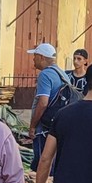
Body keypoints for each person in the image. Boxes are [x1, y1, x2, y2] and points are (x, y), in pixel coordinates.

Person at [27, 42, 76, 171]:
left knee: (42, 162)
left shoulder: (45, 75)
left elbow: (43, 102)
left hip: (45, 127)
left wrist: (33, 126)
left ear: (42, 57)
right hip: (59, 124)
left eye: (35, 56)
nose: (33, 59)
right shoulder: (62, 74)